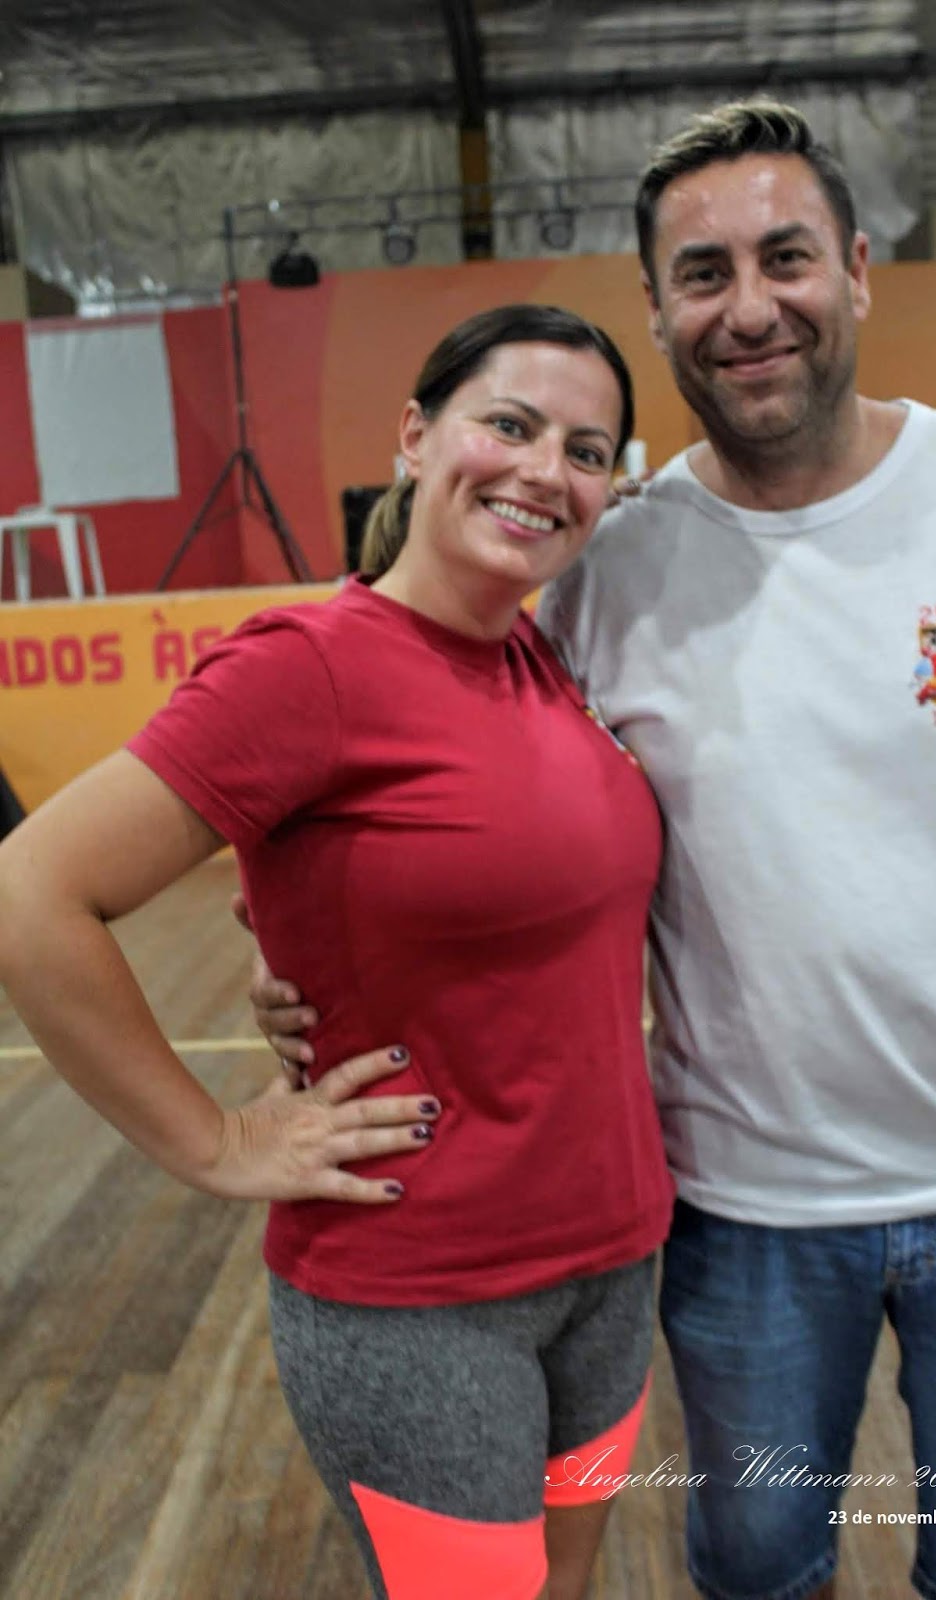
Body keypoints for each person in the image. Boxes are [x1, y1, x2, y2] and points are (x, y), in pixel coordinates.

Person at [256, 104, 936, 1600]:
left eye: (786, 258)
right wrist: (314, 966)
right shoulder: (601, 568)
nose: (749, 308)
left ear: (857, 270)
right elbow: (459, 803)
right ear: (657, 307)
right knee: (755, 1571)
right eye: (704, 273)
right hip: (739, 1214)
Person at [0, 303, 676, 1600]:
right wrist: (215, 1142)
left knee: (566, 1587)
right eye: (510, 424)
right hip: (418, 1296)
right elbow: (33, 893)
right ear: (416, 438)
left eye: (587, 451)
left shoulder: (544, 660)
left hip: (608, 1265)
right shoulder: (308, 667)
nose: (546, 470)